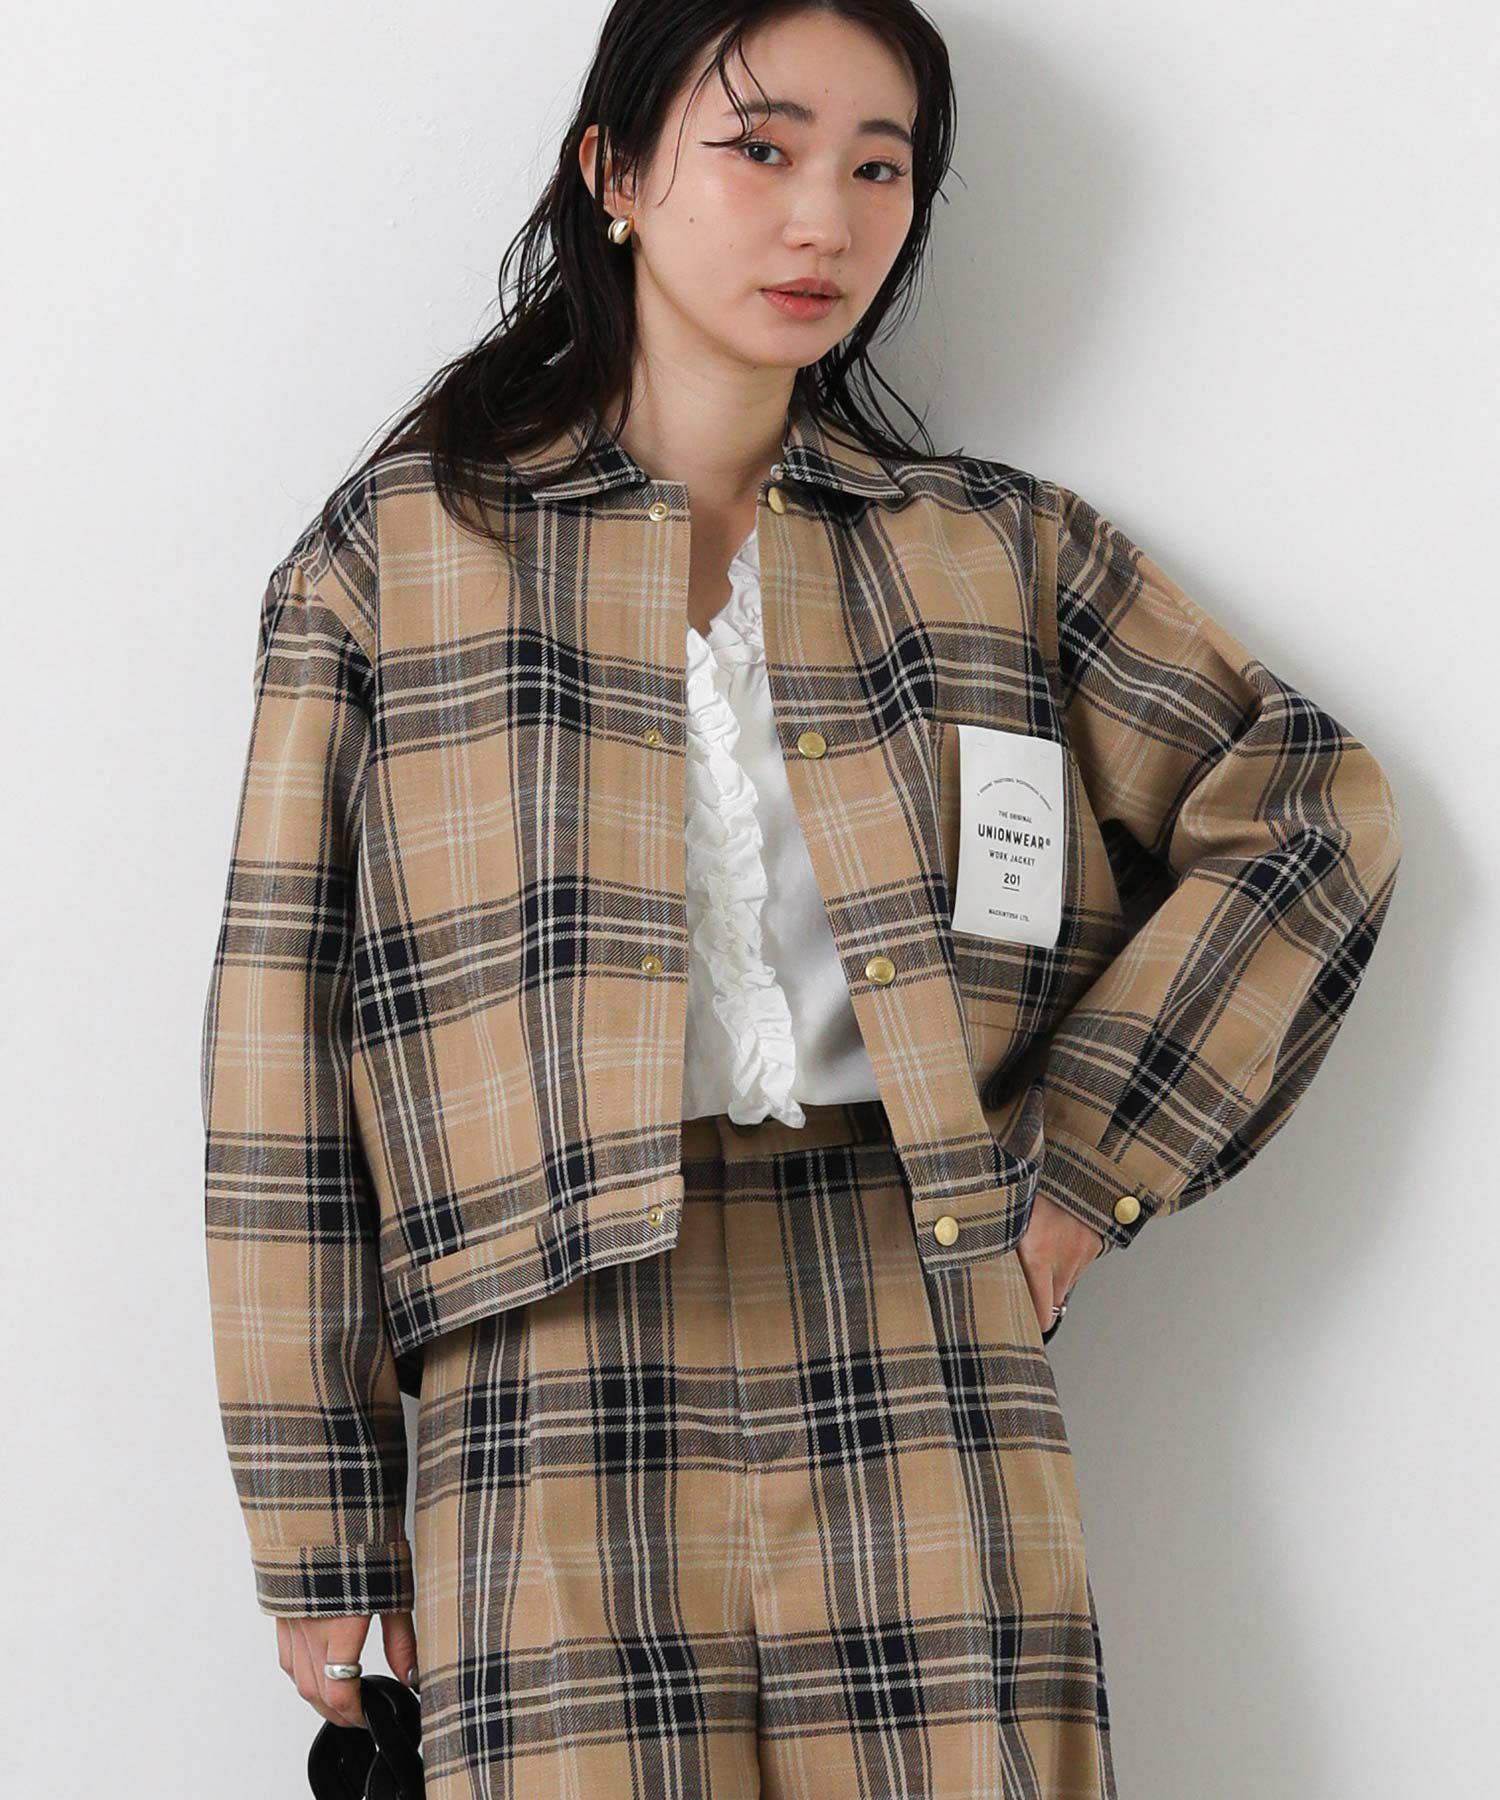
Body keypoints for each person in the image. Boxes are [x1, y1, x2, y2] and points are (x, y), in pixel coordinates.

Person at [199, 3, 1403, 1795]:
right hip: (544, 1339)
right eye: (760, 148)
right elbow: (278, 1041)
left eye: (878, 167)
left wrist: (1084, 1167)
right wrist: (317, 1507)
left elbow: (1310, 807)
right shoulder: (399, 561)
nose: (824, 220)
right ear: (614, 172)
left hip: (918, 1305)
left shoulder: (990, 550)